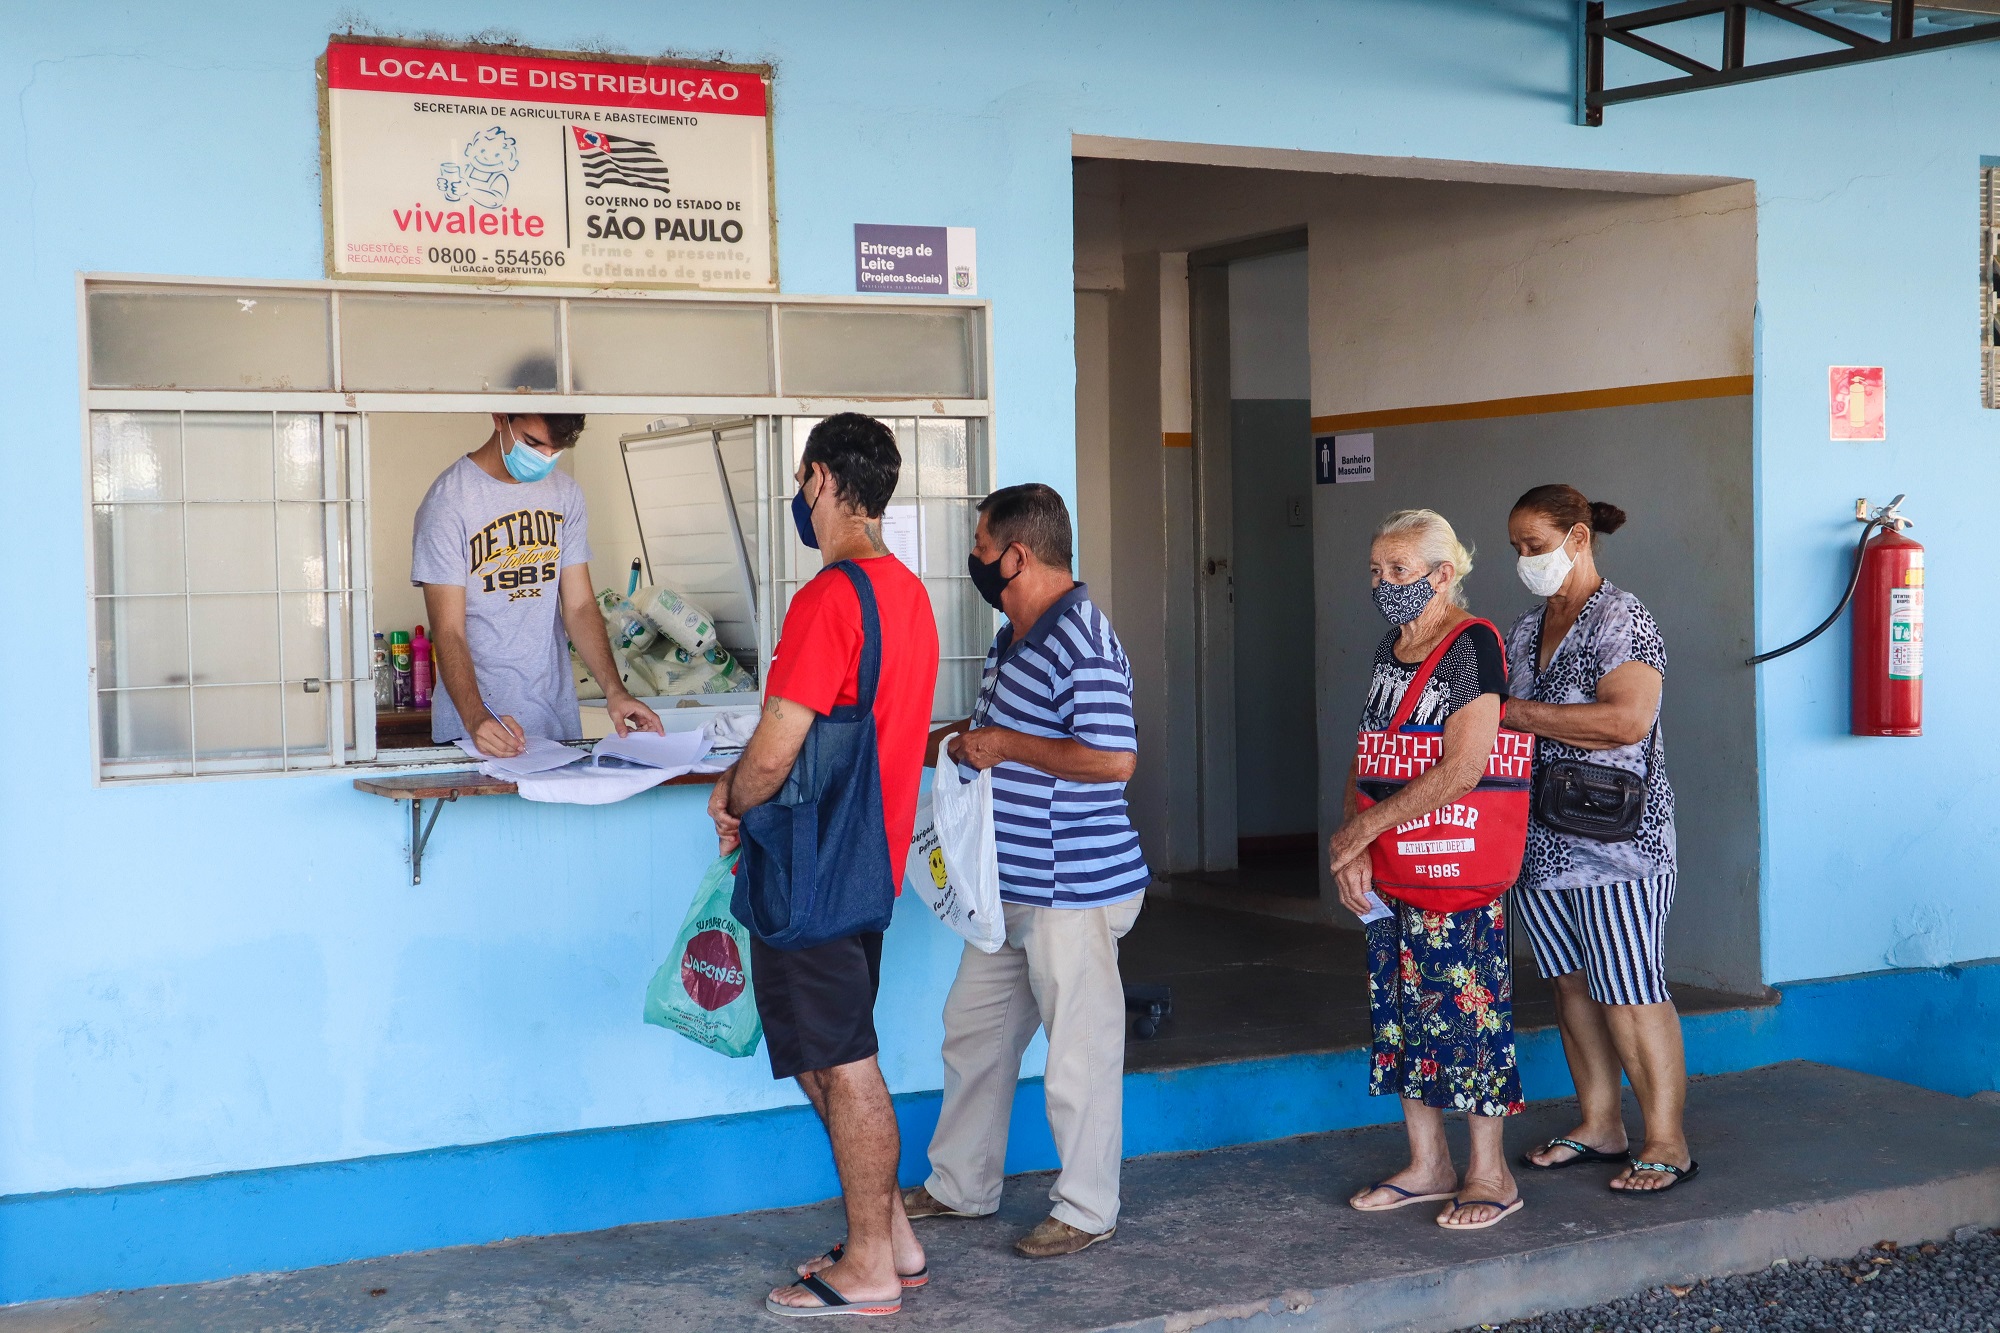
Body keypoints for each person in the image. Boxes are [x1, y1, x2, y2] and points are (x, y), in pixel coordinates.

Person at [707, 413, 940, 1317]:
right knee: (825, 1052)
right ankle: (895, 1238)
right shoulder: (906, 594)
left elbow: (776, 747)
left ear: (819, 479)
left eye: (802, 482)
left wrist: (731, 796)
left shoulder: (829, 599)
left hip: (811, 869)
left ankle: (872, 1267)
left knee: (843, 1063)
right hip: (866, 863)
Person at [890, 483, 1149, 1260]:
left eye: (978, 546)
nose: (973, 558)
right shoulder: (1014, 635)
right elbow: (996, 727)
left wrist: (1001, 746)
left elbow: (1113, 758)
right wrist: (938, 736)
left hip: (1076, 886)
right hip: (1008, 889)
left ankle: (1086, 1206)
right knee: (973, 1032)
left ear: (1018, 554)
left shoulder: (1083, 642)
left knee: (1079, 1050)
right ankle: (960, 1184)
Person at [1330, 509, 1527, 1231]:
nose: (1384, 584)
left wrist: (1365, 827)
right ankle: (1428, 1163)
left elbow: (1466, 766)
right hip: (1394, 865)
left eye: (1400, 572)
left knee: (1468, 1011)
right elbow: (1373, 749)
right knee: (1403, 1011)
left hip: (1454, 863)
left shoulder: (1473, 646)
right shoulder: (1394, 646)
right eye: (1376, 571)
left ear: (1444, 576)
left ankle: (1490, 1173)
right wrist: (1352, 844)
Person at [1500, 485, 1694, 1195]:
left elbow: (1626, 720)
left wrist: (1516, 713)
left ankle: (1666, 1141)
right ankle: (1600, 1123)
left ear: (1578, 538)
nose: (1525, 559)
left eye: (1535, 545)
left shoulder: (1622, 618)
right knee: (1572, 986)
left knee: (1631, 989)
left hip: (1620, 846)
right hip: (1541, 844)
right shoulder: (1525, 630)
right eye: (1517, 549)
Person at [413, 412, 660, 753]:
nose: (543, 458)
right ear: (500, 418)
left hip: (555, 727)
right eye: (532, 443)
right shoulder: (448, 502)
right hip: (475, 734)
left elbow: (579, 606)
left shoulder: (565, 494)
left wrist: (615, 691)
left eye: (555, 450)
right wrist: (475, 717)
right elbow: (448, 629)